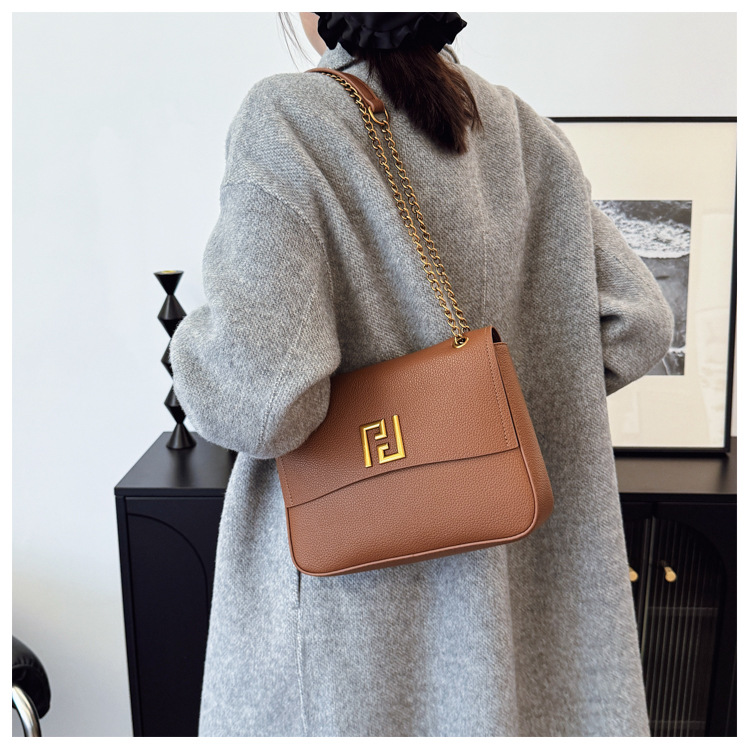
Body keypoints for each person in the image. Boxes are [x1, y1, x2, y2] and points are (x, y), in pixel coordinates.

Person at [169, 12, 674, 737]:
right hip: (519, 596)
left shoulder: (290, 117)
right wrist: (493, 407)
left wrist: (194, 341)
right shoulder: (522, 129)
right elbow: (639, 322)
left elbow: (258, 398)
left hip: (353, 624)